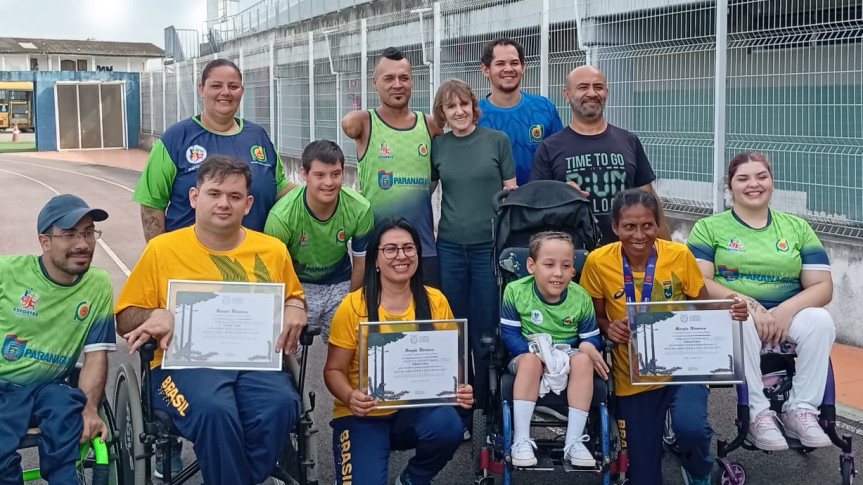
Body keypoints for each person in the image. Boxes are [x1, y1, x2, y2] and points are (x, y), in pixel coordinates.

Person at [115, 156, 308, 485]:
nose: (224, 203)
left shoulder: (272, 250)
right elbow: (124, 318)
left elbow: (294, 296)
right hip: (180, 367)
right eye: (214, 193)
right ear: (194, 197)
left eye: (234, 197)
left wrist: (296, 306)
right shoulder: (162, 250)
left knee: (280, 406)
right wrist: (154, 314)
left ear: (248, 204)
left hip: (254, 364)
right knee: (214, 411)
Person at [579, 189, 747, 485]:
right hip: (633, 375)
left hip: (683, 367)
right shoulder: (597, 262)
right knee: (644, 477)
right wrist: (609, 327)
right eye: (629, 226)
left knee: (690, 428)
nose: (639, 234)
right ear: (615, 227)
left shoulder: (679, 255)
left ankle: (697, 469)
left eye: (647, 225)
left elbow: (702, 308)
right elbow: (596, 318)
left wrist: (730, 310)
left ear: (658, 225)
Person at [687, 151, 835, 451]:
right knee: (738, 319)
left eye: (761, 177)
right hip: (736, 313)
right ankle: (758, 415)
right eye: (743, 178)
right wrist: (752, 307)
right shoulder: (708, 227)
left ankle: (801, 410)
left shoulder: (797, 228)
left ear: (771, 182)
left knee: (821, 321)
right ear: (730, 186)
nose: (753, 184)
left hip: (785, 316)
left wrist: (784, 310)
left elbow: (823, 286)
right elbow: (700, 283)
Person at [323, 217, 474, 485]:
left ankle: (413, 478)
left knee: (448, 426)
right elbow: (333, 370)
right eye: (390, 249)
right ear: (376, 260)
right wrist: (350, 395)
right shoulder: (353, 306)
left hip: (414, 410)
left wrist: (459, 387)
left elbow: (451, 363)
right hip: (363, 415)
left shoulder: (434, 301)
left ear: (418, 253)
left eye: (408, 248)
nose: (400, 256)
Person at [0, 194, 116, 484]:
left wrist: (90, 410)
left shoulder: (98, 284)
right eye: (69, 234)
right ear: (45, 241)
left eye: (89, 233)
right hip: (3, 385)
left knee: (68, 414)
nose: (82, 243)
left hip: (49, 388)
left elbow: (96, 356)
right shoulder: (8, 272)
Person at [134, 58, 292, 241]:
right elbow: (151, 205)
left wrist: (321, 188)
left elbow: (281, 189)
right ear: (201, 89)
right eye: (216, 85)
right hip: (189, 263)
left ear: (242, 91)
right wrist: (160, 259)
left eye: (233, 86)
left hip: (250, 261)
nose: (225, 92)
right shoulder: (175, 138)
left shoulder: (258, 137)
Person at [430, 78, 516, 407]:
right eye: (451, 106)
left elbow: (510, 192)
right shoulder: (439, 147)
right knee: (454, 324)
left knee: (485, 326)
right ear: (442, 113)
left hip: (487, 248)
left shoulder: (497, 141)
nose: (459, 111)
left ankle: (486, 402)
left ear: (473, 106)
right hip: (450, 246)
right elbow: (426, 192)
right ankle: (459, 402)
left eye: (464, 104)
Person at [500, 231, 607, 467]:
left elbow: (589, 338)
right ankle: (521, 440)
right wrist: (539, 355)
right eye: (549, 264)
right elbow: (509, 335)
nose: (558, 273)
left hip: (567, 352)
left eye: (566, 266)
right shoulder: (515, 292)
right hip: (527, 351)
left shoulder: (581, 297)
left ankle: (574, 442)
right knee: (530, 362)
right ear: (532, 265)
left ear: (573, 270)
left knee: (584, 360)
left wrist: (589, 347)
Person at [530, 65, 671, 244]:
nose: (592, 93)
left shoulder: (628, 141)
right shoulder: (549, 148)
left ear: (606, 92)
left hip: (627, 252)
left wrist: (668, 247)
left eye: (598, 87)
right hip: (573, 256)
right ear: (566, 94)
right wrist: (561, 194)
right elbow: (537, 205)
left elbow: (649, 199)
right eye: (583, 87)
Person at [341, 47, 443, 287]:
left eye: (404, 78)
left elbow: (436, 176)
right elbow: (347, 123)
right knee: (376, 320)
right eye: (389, 78)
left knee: (426, 320)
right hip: (376, 247)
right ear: (375, 83)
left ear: (412, 81)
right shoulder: (363, 123)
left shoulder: (430, 125)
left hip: (422, 247)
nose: (397, 84)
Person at [264, 139, 373, 343]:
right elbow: (273, 270)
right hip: (297, 285)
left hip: (340, 282)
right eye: (319, 175)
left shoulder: (361, 208)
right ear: (304, 174)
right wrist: (291, 302)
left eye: (335, 174)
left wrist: (351, 303)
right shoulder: (282, 216)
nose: (329, 183)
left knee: (352, 349)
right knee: (286, 350)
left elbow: (361, 262)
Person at [477, 37, 563, 186]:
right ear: (486, 70)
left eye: (514, 63)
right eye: (500, 64)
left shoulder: (545, 107)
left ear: (523, 67)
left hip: (539, 204)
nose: (509, 69)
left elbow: (561, 156)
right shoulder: (475, 115)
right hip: (493, 205)